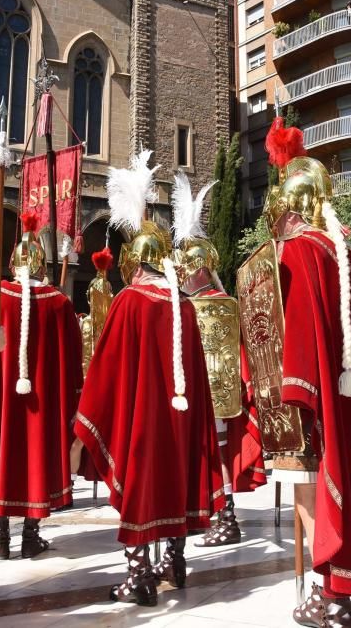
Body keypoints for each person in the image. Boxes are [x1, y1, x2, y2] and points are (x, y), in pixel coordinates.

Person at [247, 118, 351, 627]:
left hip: (308, 394)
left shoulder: (298, 251)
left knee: (310, 485)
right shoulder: (347, 256)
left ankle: (330, 597)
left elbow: (297, 329)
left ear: (289, 208)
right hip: (349, 395)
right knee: (344, 486)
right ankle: (334, 592)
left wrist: (290, 393)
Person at [73, 151, 224, 607]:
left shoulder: (131, 302)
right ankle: (174, 562)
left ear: (132, 264)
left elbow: (106, 371)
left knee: (140, 484)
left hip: (142, 422)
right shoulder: (184, 306)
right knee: (177, 480)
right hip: (180, 421)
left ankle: (138, 577)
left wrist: (86, 420)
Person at [0, 211, 83, 558]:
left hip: (2, 398)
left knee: (2, 452)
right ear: (39, 264)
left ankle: (1, 534)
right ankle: (30, 533)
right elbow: (71, 363)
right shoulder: (59, 303)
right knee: (37, 454)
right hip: (42, 401)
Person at [171, 172, 266, 547]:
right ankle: (209, 511)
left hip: (212, 394)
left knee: (219, 450)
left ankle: (224, 515)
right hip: (213, 392)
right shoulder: (220, 303)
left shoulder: (204, 306)